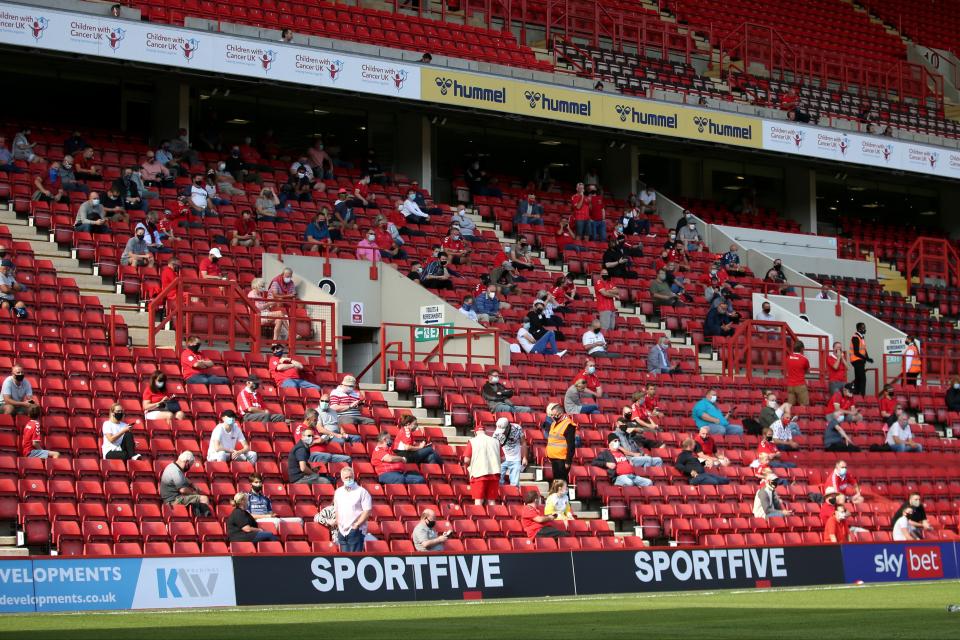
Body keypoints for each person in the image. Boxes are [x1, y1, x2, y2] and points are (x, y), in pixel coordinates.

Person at [462, 423, 502, 506]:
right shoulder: (496, 441)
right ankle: (492, 518)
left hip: (478, 474)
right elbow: (503, 458)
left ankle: (479, 518)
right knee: (491, 501)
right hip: (494, 474)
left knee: (478, 500)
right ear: (485, 432)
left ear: (475, 432)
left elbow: (466, 460)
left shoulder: (473, 441)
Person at [333, 467, 372, 553]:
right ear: (342, 479)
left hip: (355, 530)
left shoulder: (362, 492)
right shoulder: (338, 492)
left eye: (350, 477)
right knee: (345, 560)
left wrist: (357, 525)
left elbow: (367, 510)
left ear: (353, 477)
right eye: (346, 477)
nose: (349, 479)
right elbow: (336, 509)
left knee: (354, 559)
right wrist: (338, 523)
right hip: (342, 531)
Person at [545, 402, 577, 483]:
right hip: (554, 458)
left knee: (561, 483)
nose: (552, 417)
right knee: (556, 482)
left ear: (560, 413)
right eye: (551, 415)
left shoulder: (568, 425)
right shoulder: (553, 423)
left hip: (562, 459)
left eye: (554, 415)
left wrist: (568, 461)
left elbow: (571, 445)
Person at [494, 417, 526, 487]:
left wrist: (524, 457)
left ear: (508, 426)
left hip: (515, 459)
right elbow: (494, 445)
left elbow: (523, 442)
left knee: (515, 484)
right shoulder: (497, 432)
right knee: (498, 482)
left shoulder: (517, 428)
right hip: (502, 459)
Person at [849, 322, 872, 396]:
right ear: (859, 329)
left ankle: (856, 393)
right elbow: (856, 352)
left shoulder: (861, 337)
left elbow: (864, 349)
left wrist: (867, 358)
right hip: (856, 360)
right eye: (863, 327)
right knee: (862, 378)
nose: (864, 329)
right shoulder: (855, 337)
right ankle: (862, 396)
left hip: (860, 360)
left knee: (858, 378)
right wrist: (866, 358)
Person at [785, 341, 810, 406]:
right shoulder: (804, 359)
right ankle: (801, 416)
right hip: (800, 384)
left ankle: (790, 416)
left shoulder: (788, 358)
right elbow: (807, 371)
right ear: (802, 349)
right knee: (804, 405)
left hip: (790, 385)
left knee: (790, 405)